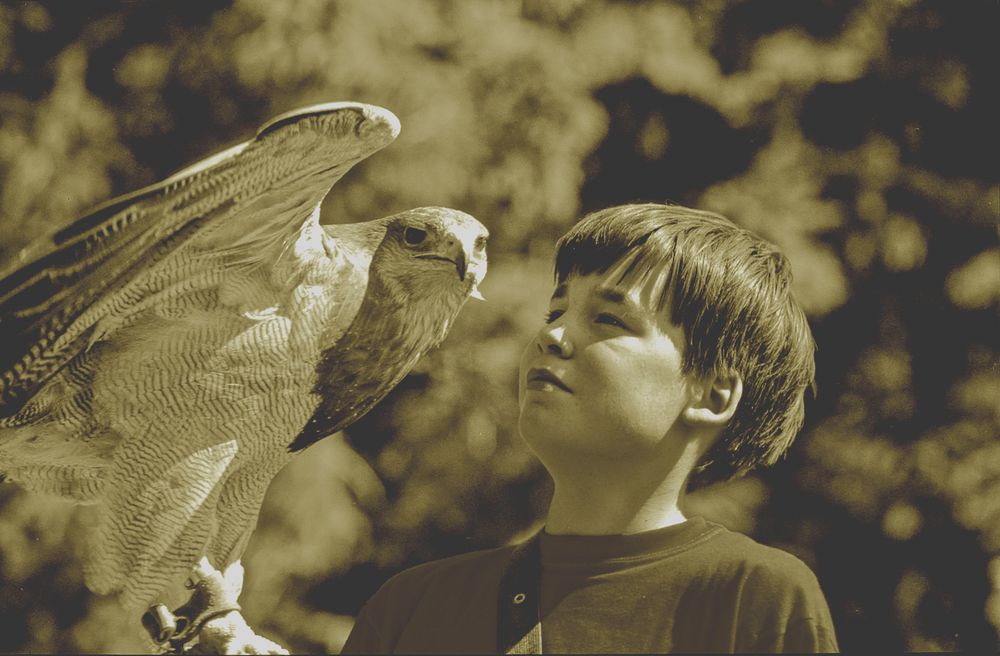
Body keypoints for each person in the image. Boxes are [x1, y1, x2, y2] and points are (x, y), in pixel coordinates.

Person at [340, 203, 839, 654]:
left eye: (609, 319)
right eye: (555, 311)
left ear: (713, 395)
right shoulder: (411, 609)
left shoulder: (754, 598)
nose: (551, 335)